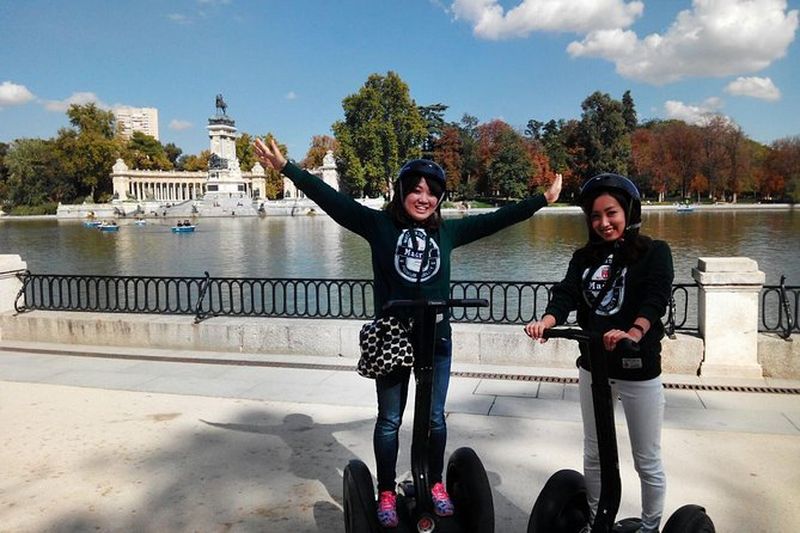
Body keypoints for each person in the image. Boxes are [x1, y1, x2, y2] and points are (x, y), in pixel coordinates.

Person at [254, 137, 562, 528]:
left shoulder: (447, 234)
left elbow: (496, 220)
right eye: (415, 190)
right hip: (393, 339)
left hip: (436, 339)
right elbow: (333, 201)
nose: (423, 198)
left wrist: (542, 200)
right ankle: (385, 490)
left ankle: (434, 483)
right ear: (401, 193)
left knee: (434, 419)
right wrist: (286, 168)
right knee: (390, 419)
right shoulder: (378, 225)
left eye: (432, 192)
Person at [524, 173, 673, 533]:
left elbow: (656, 299)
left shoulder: (655, 252)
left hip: (638, 368)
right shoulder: (583, 257)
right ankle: (594, 521)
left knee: (646, 458)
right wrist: (546, 320)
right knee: (594, 452)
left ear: (629, 212)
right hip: (594, 367)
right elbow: (567, 294)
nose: (603, 222)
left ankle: (650, 526)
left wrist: (632, 332)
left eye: (611, 213)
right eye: (595, 216)